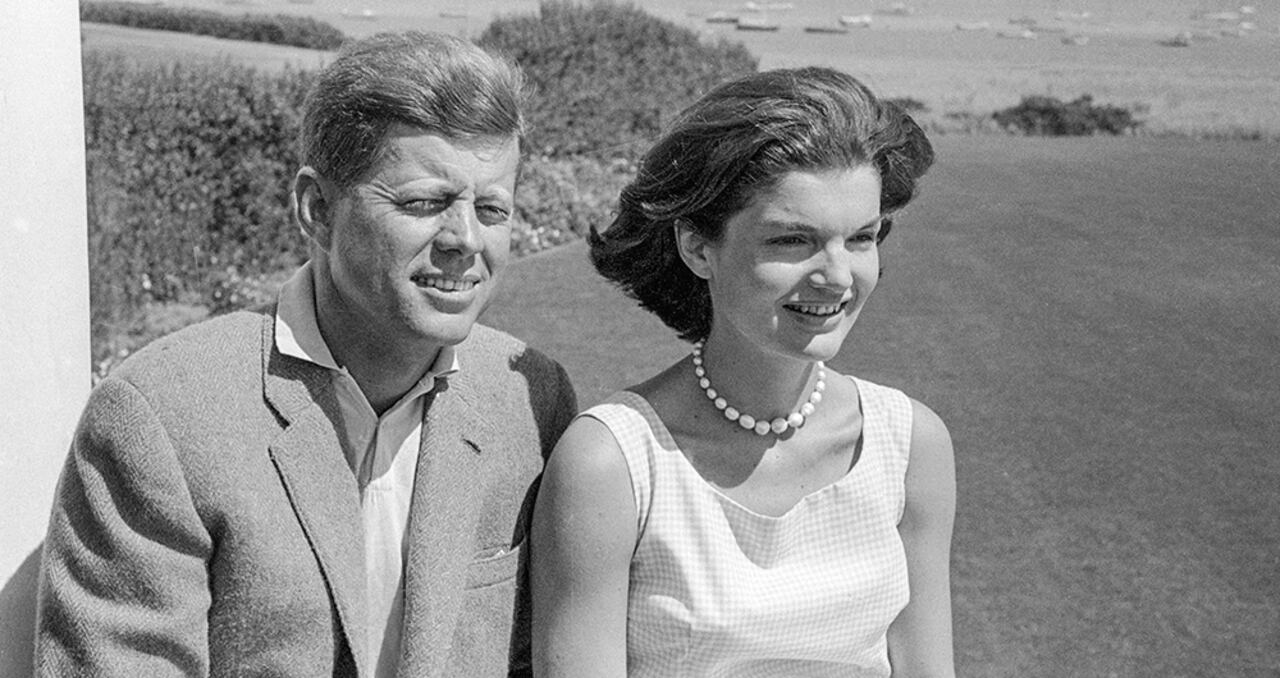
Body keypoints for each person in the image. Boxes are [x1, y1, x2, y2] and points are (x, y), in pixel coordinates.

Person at [36, 31, 576, 677]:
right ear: (317, 209)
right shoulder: (160, 419)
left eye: (491, 209)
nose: (465, 239)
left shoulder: (531, 400)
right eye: (425, 202)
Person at [530, 67, 955, 677]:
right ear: (697, 247)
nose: (838, 276)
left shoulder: (911, 444)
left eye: (861, 238)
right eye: (792, 241)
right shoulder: (614, 463)